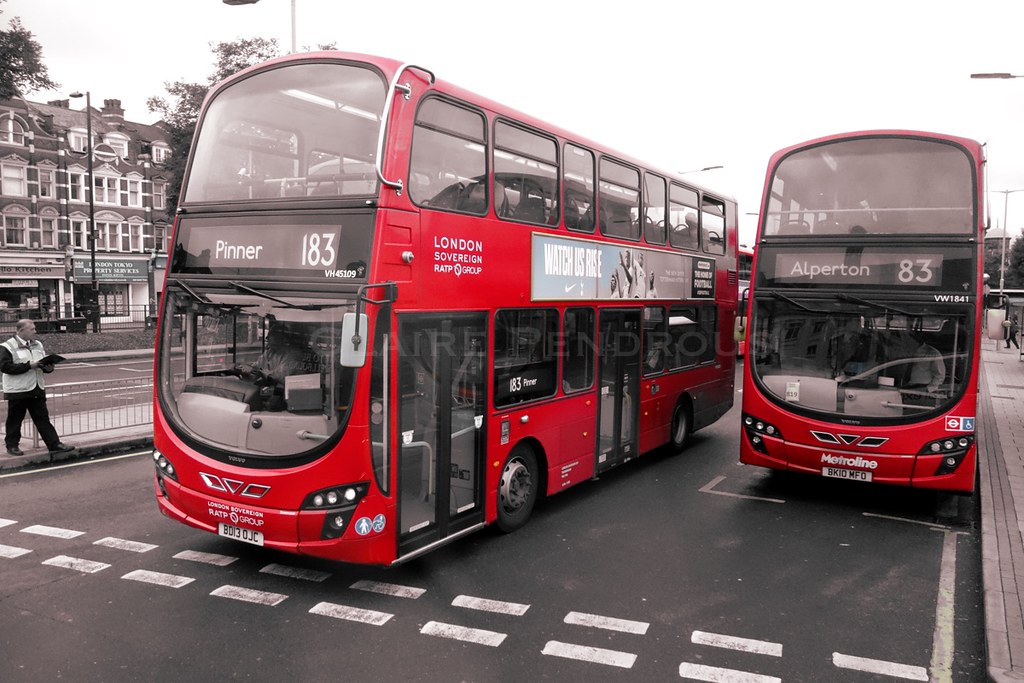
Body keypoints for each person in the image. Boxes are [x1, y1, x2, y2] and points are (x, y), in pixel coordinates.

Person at [0, 319, 74, 456]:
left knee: (42, 418)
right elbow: (5, 367)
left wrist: (48, 367)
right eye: (32, 329)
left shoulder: (37, 344)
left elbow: (41, 363)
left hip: (36, 387)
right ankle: (12, 445)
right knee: (15, 419)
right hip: (18, 390)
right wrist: (29, 366)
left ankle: (54, 444)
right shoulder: (7, 346)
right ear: (21, 330)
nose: (35, 331)